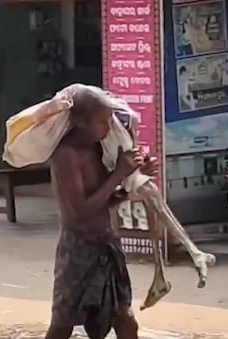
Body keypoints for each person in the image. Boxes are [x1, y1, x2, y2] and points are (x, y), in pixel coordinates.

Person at [45, 88, 158, 339]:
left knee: (125, 319)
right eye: (102, 122)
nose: (108, 128)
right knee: (63, 321)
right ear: (79, 122)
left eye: (110, 120)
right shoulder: (66, 155)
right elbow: (80, 210)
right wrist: (118, 174)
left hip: (106, 243)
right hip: (77, 247)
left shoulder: (98, 150)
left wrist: (134, 178)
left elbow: (105, 200)